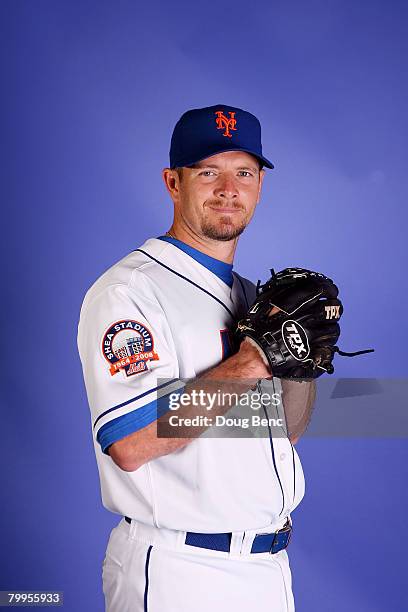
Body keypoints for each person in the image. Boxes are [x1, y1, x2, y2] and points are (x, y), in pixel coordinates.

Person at [77, 104, 316, 612]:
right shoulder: (130, 291)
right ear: (173, 182)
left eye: (244, 173)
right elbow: (130, 443)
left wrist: (300, 363)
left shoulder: (253, 297)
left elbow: (289, 430)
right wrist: (253, 361)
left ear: (259, 186)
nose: (229, 188)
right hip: (178, 571)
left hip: (270, 570)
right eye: (208, 171)